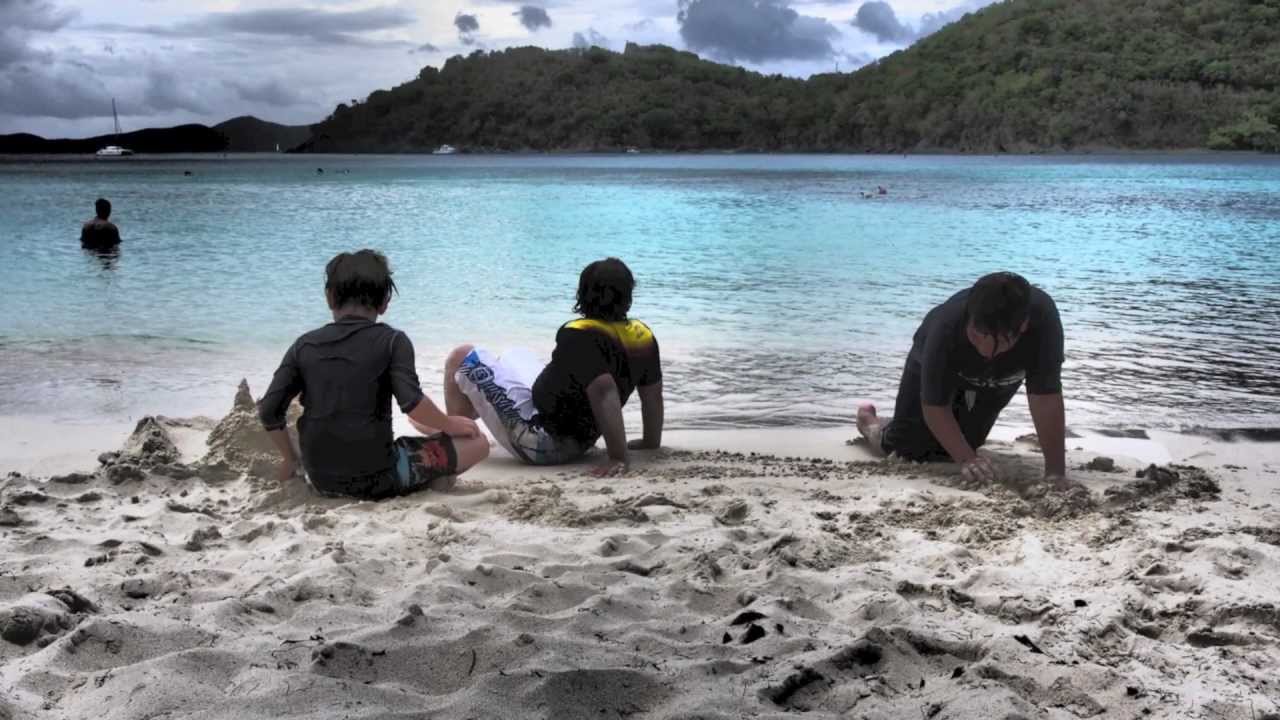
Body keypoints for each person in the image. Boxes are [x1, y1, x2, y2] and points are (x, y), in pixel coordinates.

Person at [258, 249, 488, 499]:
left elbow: (269, 410)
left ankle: (434, 441)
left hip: (321, 478)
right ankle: (430, 469)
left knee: (420, 433)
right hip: (380, 478)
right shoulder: (393, 341)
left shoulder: (303, 345)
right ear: (384, 302)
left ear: (329, 297)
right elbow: (412, 404)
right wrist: (450, 423)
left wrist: (290, 459)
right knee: (478, 443)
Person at [443, 258, 664, 477]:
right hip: (580, 440)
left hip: (542, 442)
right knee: (515, 354)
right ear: (628, 297)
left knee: (461, 357)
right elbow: (652, 396)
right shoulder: (642, 337)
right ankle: (468, 416)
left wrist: (618, 456)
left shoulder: (581, 336)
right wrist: (651, 441)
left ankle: (457, 439)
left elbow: (605, 391)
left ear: (583, 294)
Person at [855, 271, 1066, 484]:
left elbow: (1045, 397)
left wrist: (1055, 472)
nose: (984, 348)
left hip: (1003, 374)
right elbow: (935, 405)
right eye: (976, 334)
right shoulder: (946, 326)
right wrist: (967, 460)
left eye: (998, 341)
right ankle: (870, 422)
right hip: (942, 365)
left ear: (1022, 327)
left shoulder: (1044, 323)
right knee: (904, 447)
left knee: (966, 443)